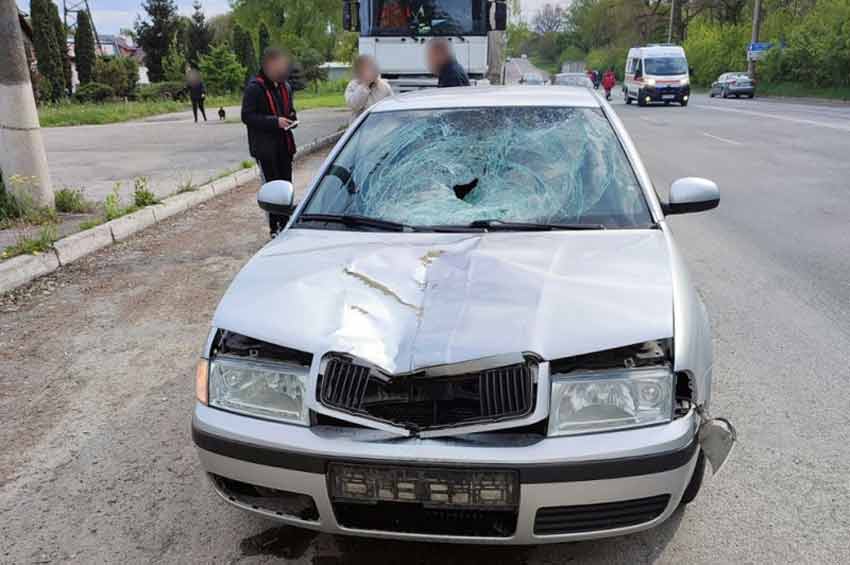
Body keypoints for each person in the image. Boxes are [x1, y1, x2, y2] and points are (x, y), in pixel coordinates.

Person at [241, 47, 298, 235]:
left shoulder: (285, 86)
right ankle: (275, 228)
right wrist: (275, 122)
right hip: (266, 148)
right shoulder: (255, 88)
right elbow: (247, 116)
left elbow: (289, 110)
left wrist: (291, 119)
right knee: (272, 189)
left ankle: (286, 224)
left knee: (286, 187)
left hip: (284, 145)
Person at [345, 55, 393, 121]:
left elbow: (391, 109)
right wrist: (365, 85)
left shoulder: (384, 87)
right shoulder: (353, 85)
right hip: (360, 127)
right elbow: (354, 106)